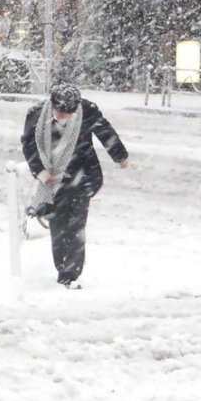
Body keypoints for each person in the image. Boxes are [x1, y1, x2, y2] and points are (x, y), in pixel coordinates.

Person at [21, 85, 129, 289]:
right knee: (58, 226)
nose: (64, 115)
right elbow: (28, 144)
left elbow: (105, 132)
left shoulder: (86, 110)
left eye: (69, 112)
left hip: (83, 176)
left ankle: (71, 274)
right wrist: (42, 172)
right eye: (60, 111)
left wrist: (120, 156)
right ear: (52, 104)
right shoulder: (36, 114)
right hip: (53, 180)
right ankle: (62, 268)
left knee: (76, 225)